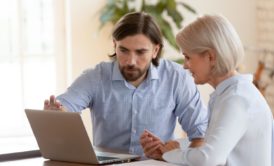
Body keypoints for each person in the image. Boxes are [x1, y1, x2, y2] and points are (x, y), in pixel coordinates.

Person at [44, 12, 208, 156]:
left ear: (155, 50)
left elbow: (201, 133)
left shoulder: (176, 77)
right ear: (115, 45)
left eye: (140, 52)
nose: (131, 61)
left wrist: (174, 150)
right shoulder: (95, 77)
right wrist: (56, 114)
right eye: (124, 50)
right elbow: (65, 107)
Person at [142, 14, 273, 166]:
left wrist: (171, 154)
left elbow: (209, 158)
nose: (185, 65)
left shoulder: (236, 99)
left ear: (211, 57)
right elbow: (217, 148)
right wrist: (169, 150)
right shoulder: (230, 94)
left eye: (188, 57)